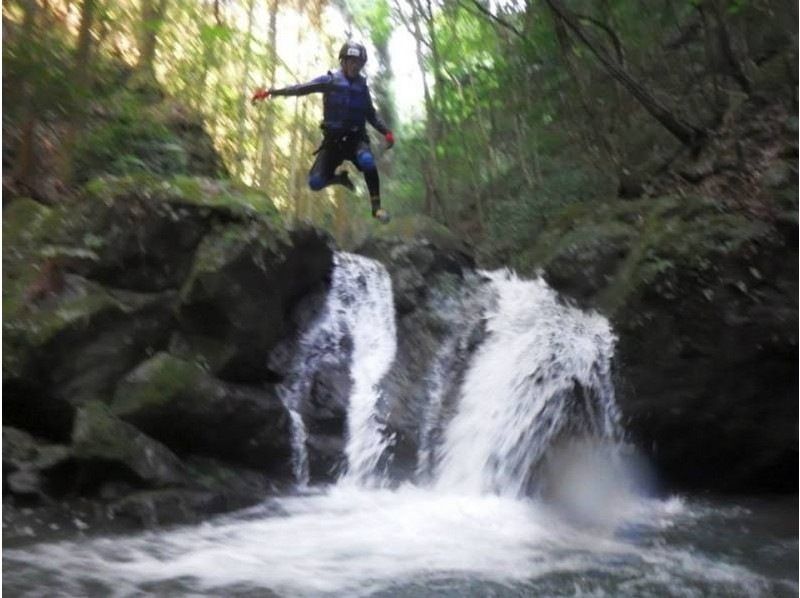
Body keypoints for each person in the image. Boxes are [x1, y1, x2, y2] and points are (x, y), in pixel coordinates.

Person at [252, 41, 394, 223]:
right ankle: (339, 179)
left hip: (356, 139)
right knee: (315, 183)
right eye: (352, 61)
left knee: (367, 161)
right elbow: (300, 89)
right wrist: (271, 93)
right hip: (333, 142)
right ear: (343, 61)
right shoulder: (329, 81)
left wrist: (386, 132)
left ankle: (376, 208)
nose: (355, 66)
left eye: (359, 63)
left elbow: (371, 114)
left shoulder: (362, 87)